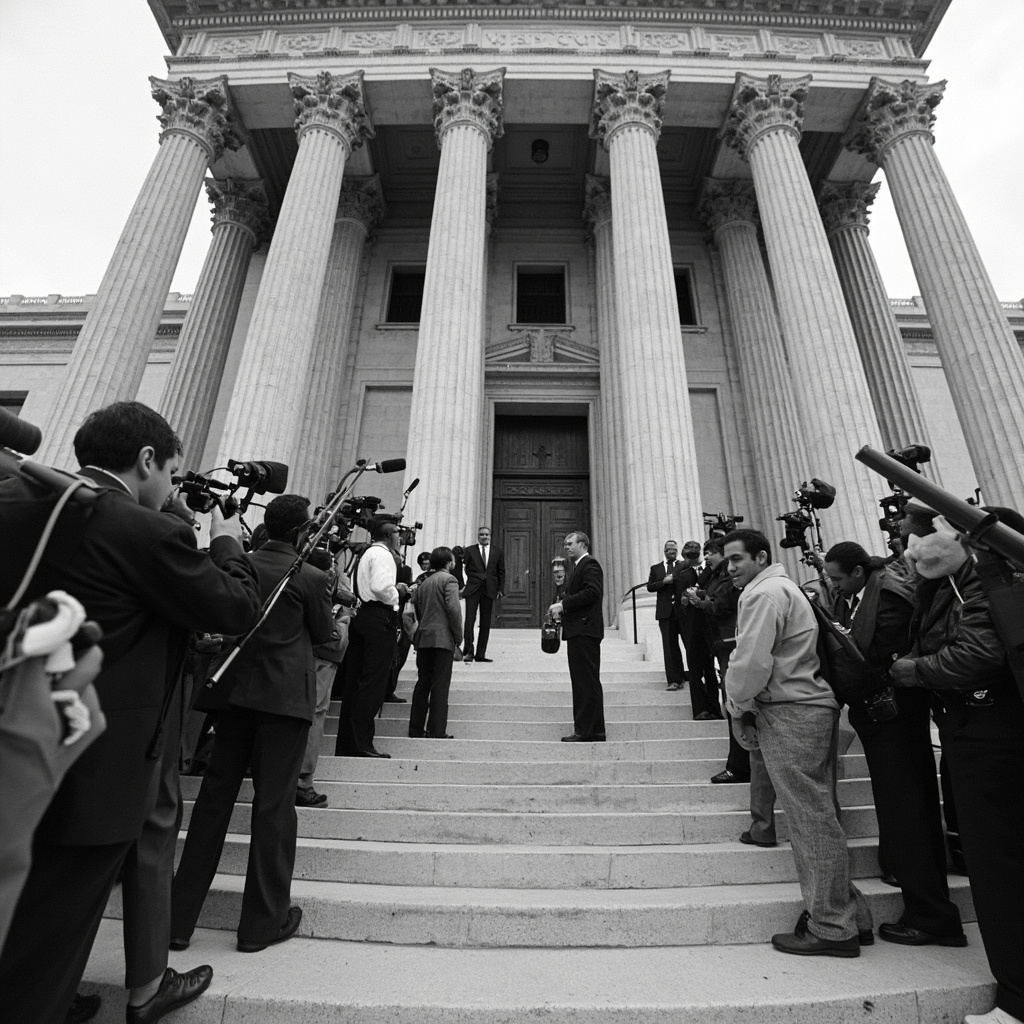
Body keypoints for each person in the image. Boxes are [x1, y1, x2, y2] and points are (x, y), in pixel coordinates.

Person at [0, 401, 262, 1024]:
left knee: (23, 924)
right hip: (94, 765)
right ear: (146, 460)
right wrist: (223, 539)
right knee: (47, 940)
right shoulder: (140, 530)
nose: (173, 486)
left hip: (15, 736)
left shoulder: (16, 500)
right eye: (170, 471)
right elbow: (234, 607)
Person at [171, 494, 333, 954]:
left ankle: (178, 920)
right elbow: (322, 635)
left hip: (235, 696)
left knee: (213, 802)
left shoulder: (236, 563)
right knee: (273, 807)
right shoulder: (311, 576)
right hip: (283, 702)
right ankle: (262, 923)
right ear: (304, 531)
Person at [891, 507, 1024, 1024]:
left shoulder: (980, 580)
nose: (911, 550)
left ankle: (1016, 1001)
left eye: (917, 538)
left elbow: (977, 653)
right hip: (996, 729)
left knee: (998, 870)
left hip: (987, 733)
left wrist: (913, 671)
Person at [722, 528, 869, 957]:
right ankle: (852, 917)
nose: (730, 568)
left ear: (761, 557)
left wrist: (737, 706)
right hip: (810, 707)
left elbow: (750, 661)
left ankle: (831, 927)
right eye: (726, 560)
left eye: (737, 560)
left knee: (810, 822)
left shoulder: (762, 594)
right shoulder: (784, 588)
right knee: (819, 816)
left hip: (791, 710)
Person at [822, 540, 965, 947]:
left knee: (908, 814)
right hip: (884, 718)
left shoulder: (888, 595)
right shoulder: (863, 594)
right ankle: (927, 911)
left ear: (858, 572)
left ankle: (931, 917)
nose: (834, 585)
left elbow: (873, 655)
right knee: (903, 812)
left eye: (837, 578)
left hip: (896, 717)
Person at [335, 519, 407, 757]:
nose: (401, 537)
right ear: (388, 534)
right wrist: (399, 592)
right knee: (372, 683)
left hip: (363, 616)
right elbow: (380, 587)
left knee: (356, 681)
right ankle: (361, 743)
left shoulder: (368, 553)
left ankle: (348, 743)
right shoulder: (383, 554)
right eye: (398, 533)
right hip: (378, 618)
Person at [297, 551, 356, 808]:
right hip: (318, 663)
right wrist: (344, 620)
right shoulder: (320, 594)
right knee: (314, 717)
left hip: (303, 661)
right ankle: (302, 783)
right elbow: (334, 640)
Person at [687, 538, 747, 784]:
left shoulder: (729, 576)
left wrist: (700, 602)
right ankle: (739, 764)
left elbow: (722, 604)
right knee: (732, 705)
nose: (706, 557)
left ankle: (739, 766)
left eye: (710, 553)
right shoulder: (715, 575)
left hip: (730, 643)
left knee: (735, 705)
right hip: (721, 643)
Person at [549, 531, 606, 742]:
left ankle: (587, 731)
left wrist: (563, 604)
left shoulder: (589, 564)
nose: (567, 547)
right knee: (584, 681)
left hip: (585, 631)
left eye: (570, 543)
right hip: (579, 631)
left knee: (585, 682)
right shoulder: (578, 567)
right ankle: (593, 729)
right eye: (565, 544)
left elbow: (592, 593)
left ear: (583, 544)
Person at [408, 546, 463, 739]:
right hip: (442, 638)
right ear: (449, 563)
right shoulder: (449, 580)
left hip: (424, 637)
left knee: (423, 683)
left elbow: (418, 609)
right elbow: (454, 610)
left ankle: (415, 728)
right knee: (440, 685)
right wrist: (459, 636)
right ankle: (436, 730)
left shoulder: (424, 583)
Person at [676, 539, 722, 720]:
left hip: (710, 623)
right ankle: (700, 709)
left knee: (710, 668)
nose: (693, 551)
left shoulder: (712, 570)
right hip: (691, 626)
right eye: (689, 548)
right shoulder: (681, 573)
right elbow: (680, 604)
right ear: (683, 553)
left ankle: (715, 708)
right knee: (695, 669)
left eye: (696, 548)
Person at [646, 540, 686, 691]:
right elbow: (650, 586)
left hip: (682, 611)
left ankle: (690, 675)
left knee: (689, 644)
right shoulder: (656, 568)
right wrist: (663, 581)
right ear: (664, 550)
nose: (672, 551)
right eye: (669, 549)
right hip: (665, 612)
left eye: (674, 549)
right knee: (669, 647)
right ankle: (674, 680)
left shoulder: (684, 566)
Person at [462, 526, 505, 663]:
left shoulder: (497, 552)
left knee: (485, 623)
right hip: (473, 589)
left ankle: (480, 654)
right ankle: (468, 651)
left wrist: (500, 589)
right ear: (477, 536)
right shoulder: (469, 550)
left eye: (486, 534)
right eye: (481, 535)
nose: (484, 537)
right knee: (469, 620)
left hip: (489, 590)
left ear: (490, 536)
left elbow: (501, 572)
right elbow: (465, 569)